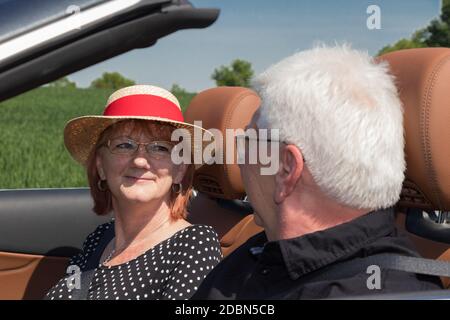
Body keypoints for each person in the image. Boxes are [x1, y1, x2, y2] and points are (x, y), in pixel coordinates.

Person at [192, 45, 443, 299]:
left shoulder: (378, 293)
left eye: (247, 140)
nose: (238, 157)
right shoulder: (257, 253)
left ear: (286, 169)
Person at [46, 85, 222, 300]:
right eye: (124, 145)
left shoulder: (194, 245)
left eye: (160, 148)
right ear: (101, 166)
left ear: (180, 170)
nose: (140, 160)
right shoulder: (100, 239)